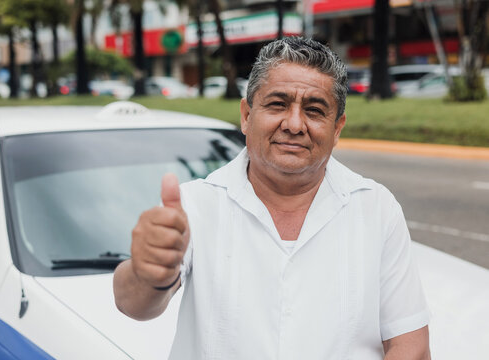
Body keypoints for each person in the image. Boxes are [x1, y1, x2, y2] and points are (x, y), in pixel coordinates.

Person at [113, 37, 431, 360]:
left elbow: (410, 346)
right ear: (246, 116)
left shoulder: (376, 209)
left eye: (314, 110)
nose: (294, 124)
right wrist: (147, 272)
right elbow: (133, 303)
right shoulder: (194, 206)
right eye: (278, 104)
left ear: (337, 130)